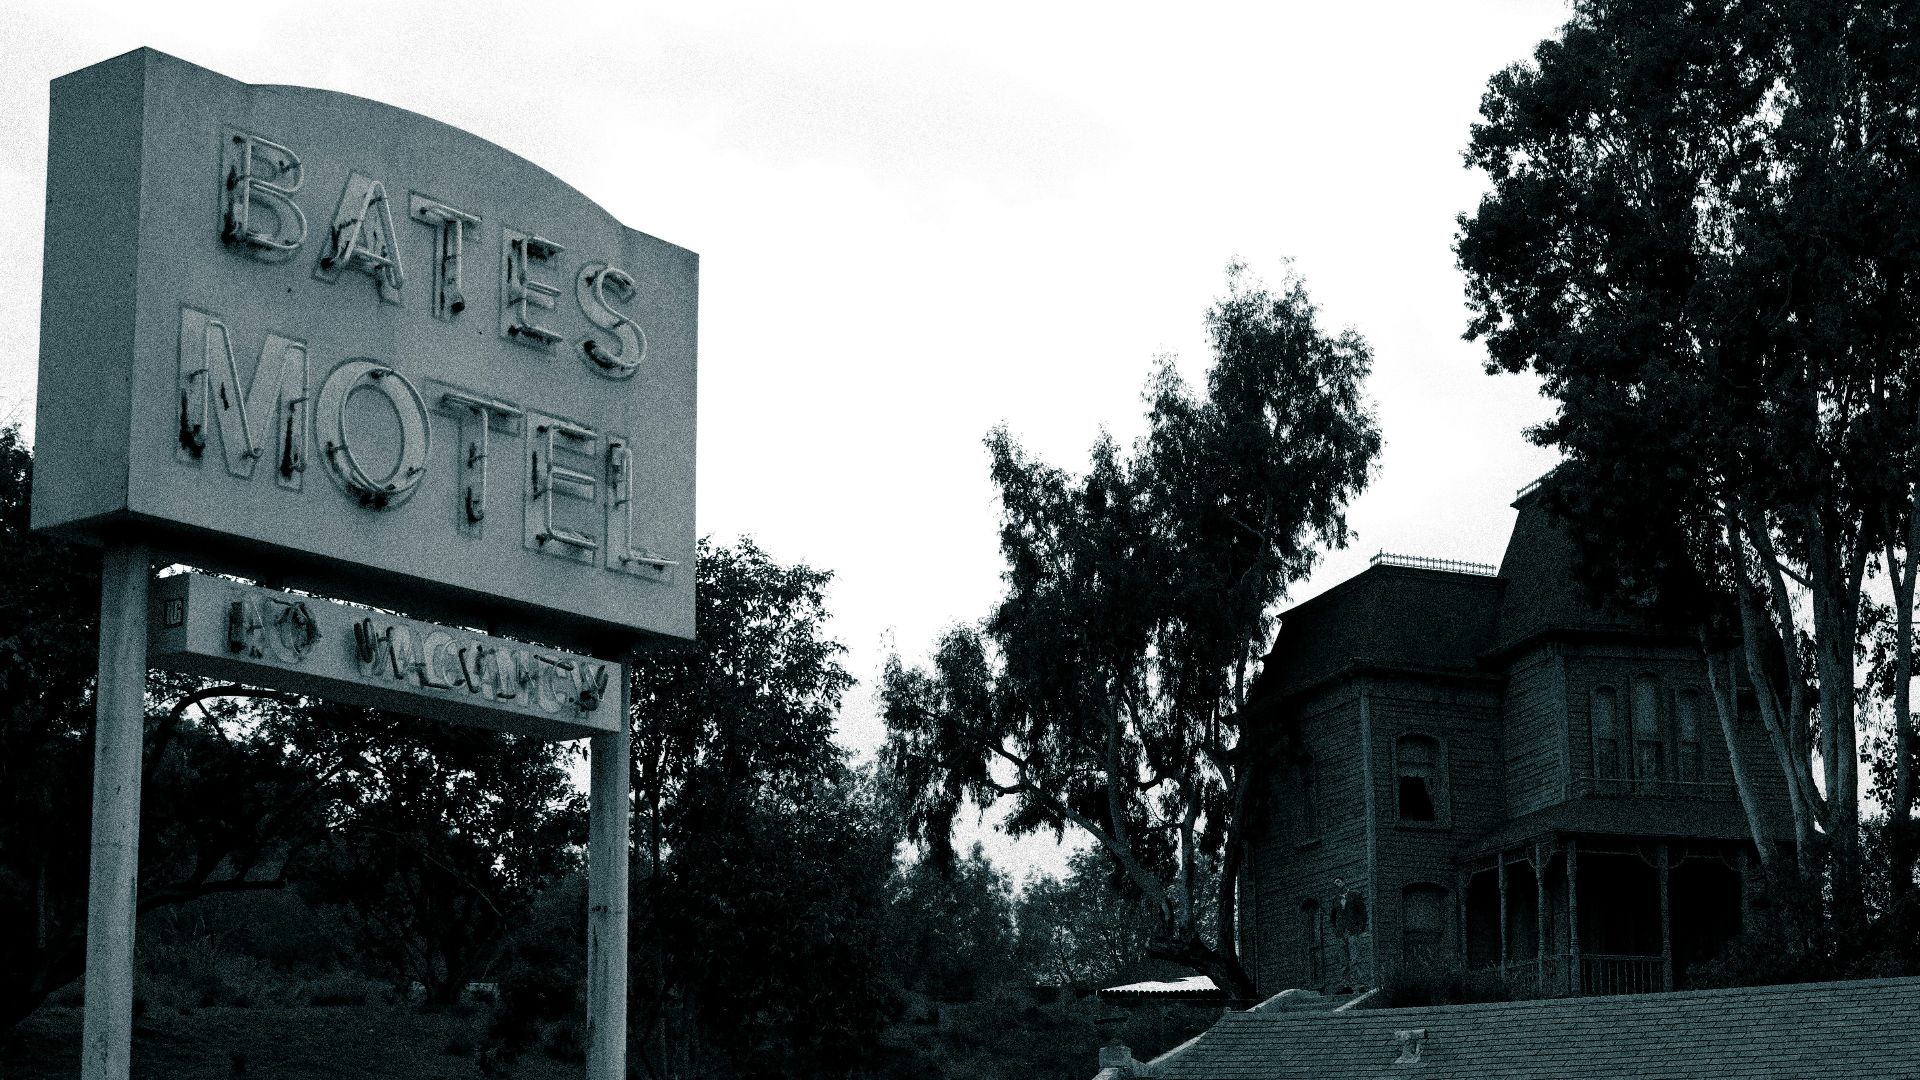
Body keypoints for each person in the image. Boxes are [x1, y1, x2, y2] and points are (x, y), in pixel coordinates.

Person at [1330, 876, 1369, 991]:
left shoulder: (1355, 895)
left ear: (1344, 882)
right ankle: (1346, 985)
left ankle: (1361, 984)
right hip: (1341, 933)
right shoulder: (1335, 899)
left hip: (1353, 931)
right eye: (1335, 883)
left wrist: (1360, 928)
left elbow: (1363, 913)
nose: (1337, 884)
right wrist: (1336, 929)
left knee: (1355, 959)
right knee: (1343, 961)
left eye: (1338, 881)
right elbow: (1332, 917)